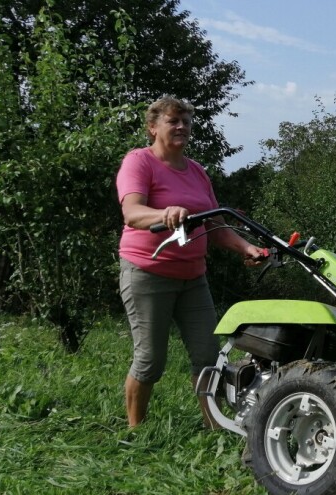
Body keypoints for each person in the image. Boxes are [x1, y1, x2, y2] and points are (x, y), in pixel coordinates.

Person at [116, 96, 263, 427]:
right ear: (153, 128)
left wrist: (246, 248)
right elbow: (133, 212)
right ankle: (136, 430)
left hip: (193, 278)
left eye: (186, 122)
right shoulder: (139, 162)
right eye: (173, 121)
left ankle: (213, 426)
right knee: (151, 359)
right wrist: (164, 213)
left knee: (208, 357)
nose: (182, 126)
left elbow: (215, 225)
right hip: (148, 273)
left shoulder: (196, 171)